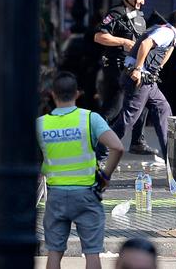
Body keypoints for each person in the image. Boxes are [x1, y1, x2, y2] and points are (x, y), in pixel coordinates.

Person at [36, 72, 124, 269]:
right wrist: (105, 176)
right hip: (86, 194)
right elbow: (117, 147)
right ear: (77, 94)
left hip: (56, 195)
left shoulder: (40, 124)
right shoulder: (90, 119)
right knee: (92, 253)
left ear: (52, 94)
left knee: (54, 252)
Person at [112, 9, 176, 160]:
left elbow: (160, 58)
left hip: (148, 81)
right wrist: (138, 69)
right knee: (128, 119)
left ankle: (171, 155)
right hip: (139, 78)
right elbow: (146, 44)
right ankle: (101, 151)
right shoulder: (166, 32)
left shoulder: (168, 33)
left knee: (163, 108)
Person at [94, 0, 156, 157]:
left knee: (143, 102)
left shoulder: (140, 17)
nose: (142, 2)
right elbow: (99, 37)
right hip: (116, 68)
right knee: (113, 109)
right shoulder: (115, 14)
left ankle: (137, 142)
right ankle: (97, 145)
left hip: (134, 68)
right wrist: (123, 41)